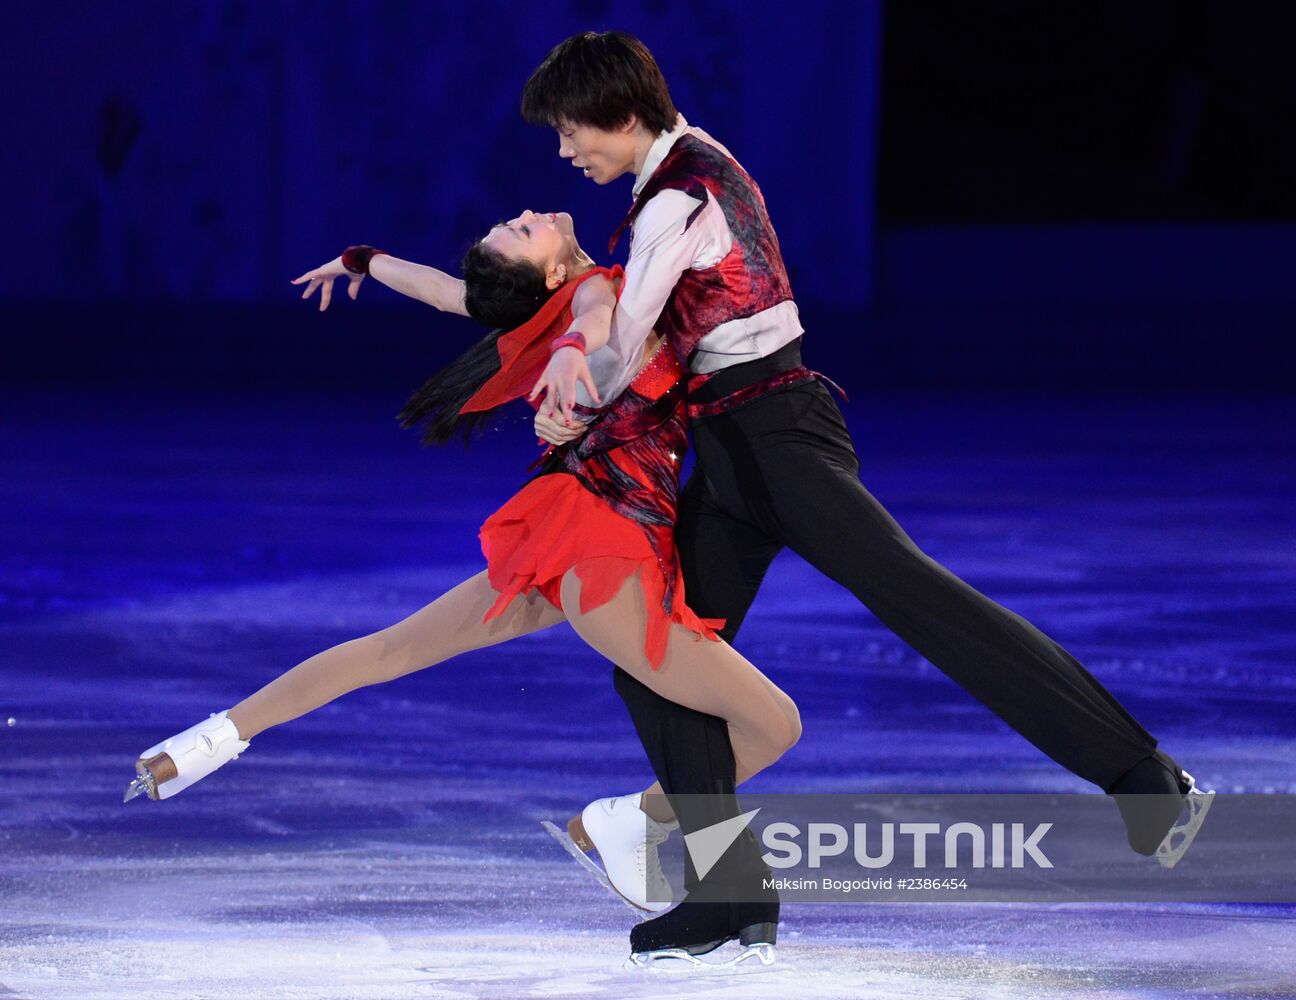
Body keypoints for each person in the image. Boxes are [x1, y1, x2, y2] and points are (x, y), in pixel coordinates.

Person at [517, 30, 1215, 960]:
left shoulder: (679, 196)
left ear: (619, 111)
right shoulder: (683, 169)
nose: (567, 152)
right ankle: (733, 899)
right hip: (735, 451)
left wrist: (572, 376)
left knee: (920, 601)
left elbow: (631, 335)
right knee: (657, 657)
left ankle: (1144, 781)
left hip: (778, 439)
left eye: (572, 131)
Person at [123, 210, 798, 952]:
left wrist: (362, 259)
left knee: (388, 652)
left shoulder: (551, 304)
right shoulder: (590, 296)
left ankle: (203, 744)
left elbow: (447, 294)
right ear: (551, 273)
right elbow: (594, 312)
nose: (522, 216)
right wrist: (576, 346)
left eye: (512, 225)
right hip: (609, 554)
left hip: (568, 536)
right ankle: (631, 818)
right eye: (519, 232)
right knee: (773, 725)